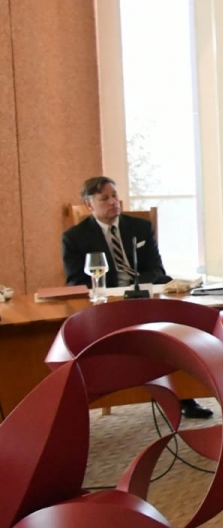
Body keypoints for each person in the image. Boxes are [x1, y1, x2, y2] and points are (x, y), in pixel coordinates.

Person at [62, 176, 212, 420]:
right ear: (90, 205)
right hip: (105, 307)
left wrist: (136, 284)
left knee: (176, 328)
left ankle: (185, 395)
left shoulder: (139, 228)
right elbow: (75, 283)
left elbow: (157, 271)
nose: (113, 202)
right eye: (105, 198)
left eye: (114, 196)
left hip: (142, 298)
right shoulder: (74, 237)